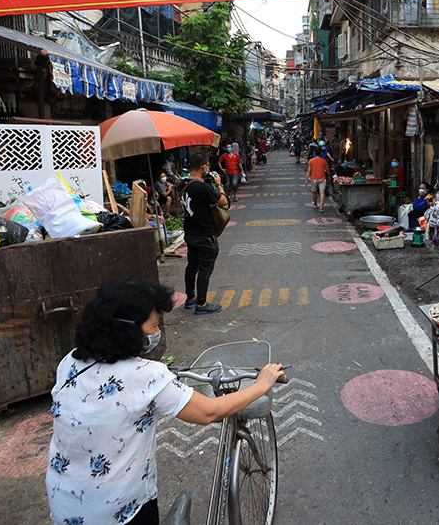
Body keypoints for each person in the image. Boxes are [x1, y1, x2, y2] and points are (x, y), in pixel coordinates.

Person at [46, 277, 284, 525]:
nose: (158, 332)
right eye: (155, 325)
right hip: (119, 512)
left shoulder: (70, 362)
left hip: (63, 504)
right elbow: (209, 412)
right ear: (129, 330)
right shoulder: (147, 375)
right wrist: (260, 385)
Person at [176, 153, 228, 315]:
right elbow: (224, 202)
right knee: (205, 269)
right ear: (204, 166)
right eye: (207, 165)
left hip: (190, 231)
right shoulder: (202, 187)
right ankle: (202, 304)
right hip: (205, 232)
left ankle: (190, 298)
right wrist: (219, 185)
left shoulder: (181, 184)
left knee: (192, 265)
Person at [305, 147, 330, 212]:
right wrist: (329, 176)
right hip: (322, 178)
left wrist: (307, 180)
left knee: (314, 192)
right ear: (321, 153)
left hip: (314, 178)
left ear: (315, 153)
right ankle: (321, 207)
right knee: (322, 192)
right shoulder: (324, 161)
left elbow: (308, 171)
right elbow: (327, 170)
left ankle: (315, 204)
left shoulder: (311, 161)